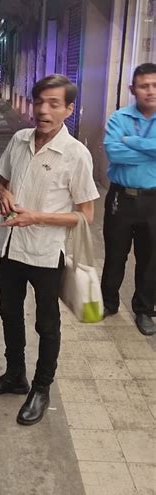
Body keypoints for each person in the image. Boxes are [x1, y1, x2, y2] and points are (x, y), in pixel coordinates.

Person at [0, 74, 99, 425]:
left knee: (47, 324)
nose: (43, 110)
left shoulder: (76, 154)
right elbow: (1, 182)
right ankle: (15, 375)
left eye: (53, 104)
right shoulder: (18, 140)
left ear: (68, 109)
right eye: (39, 102)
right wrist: (4, 195)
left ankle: (41, 388)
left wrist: (37, 217)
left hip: (47, 254)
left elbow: (86, 215)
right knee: (9, 313)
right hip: (10, 248)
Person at [101, 62, 156, 336]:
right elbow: (114, 153)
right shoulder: (118, 118)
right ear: (133, 89)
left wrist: (132, 142)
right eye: (144, 86)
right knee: (115, 253)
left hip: (153, 200)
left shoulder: (126, 129)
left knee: (150, 258)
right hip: (120, 199)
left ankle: (144, 310)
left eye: (155, 85)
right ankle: (109, 302)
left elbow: (124, 149)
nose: (150, 91)